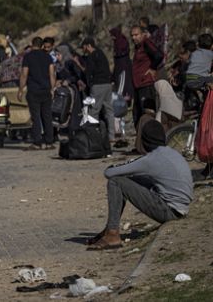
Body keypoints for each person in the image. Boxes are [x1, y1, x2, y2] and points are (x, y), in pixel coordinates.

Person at [87, 119, 193, 250]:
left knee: (116, 182)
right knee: (134, 178)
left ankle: (112, 234)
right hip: (182, 208)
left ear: (145, 141)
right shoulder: (172, 152)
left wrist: (119, 167)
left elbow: (109, 173)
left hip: (169, 212)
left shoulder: (151, 159)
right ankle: (110, 227)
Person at [19, 37, 56, 150]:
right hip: (45, 90)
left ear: (32, 44)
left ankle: (37, 142)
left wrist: (20, 90)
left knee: (35, 117)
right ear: (41, 45)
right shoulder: (48, 57)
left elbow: (24, 74)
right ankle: (49, 142)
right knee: (47, 116)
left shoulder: (28, 57)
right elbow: (52, 74)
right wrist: (52, 89)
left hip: (33, 91)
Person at [81, 38, 115, 147]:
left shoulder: (91, 56)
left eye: (84, 47)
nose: (83, 49)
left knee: (93, 111)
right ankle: (111, 136)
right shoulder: (101, 53)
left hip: (98, 85)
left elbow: (88, 72)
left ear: (88, 46)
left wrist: (89, 84)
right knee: (109, 110)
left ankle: (93, 137)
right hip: (108, 84)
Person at [130, 25, 162, 127]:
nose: (134, 37)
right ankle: (142, 139)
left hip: (146, 85)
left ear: (143, 34)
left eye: (136, 35)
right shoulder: (138, 47)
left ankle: (151, 136)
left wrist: (152, 68)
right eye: (132, 35)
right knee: (137, 114)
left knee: (148, 114)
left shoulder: (146, 43)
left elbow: (159, 55)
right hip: (138, 85)